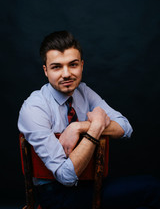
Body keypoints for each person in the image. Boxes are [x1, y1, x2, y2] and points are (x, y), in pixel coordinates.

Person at [18, 31, 160, 209]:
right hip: (55, 195)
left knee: (150, 186)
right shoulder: (34, 108)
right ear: (46, 71)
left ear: (82, 65)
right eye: (56, 67)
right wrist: (96, 127)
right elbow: (66, 176)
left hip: (91, 184)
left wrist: (79, 126)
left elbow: (125, 127)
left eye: (73, 65)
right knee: (152, 189)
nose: (67, 73)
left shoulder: (83, 92)